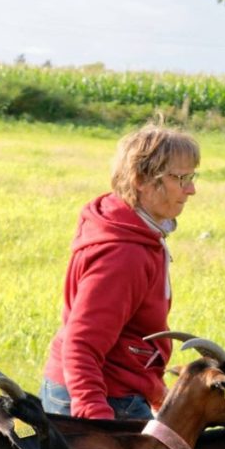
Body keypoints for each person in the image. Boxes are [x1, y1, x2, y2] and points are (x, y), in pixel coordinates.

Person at [40, 124, 198, 422]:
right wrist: (97, 423)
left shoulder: (137, 230)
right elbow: (82, 343)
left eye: (192, 177)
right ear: (141, 180)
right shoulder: (124, 254)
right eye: (181, 178)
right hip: (100, 398)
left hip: (113, 390)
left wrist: (151, 387)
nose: (191, 189)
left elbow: (128, 336)